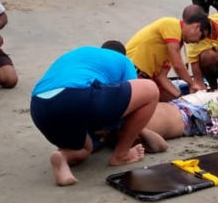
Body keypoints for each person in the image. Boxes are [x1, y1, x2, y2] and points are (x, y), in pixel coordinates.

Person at [30, 43, 159, 186]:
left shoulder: (82, 52)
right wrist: (111, 126)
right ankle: (121, 155)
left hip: (39, 107)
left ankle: (63, 157)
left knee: (86, 148)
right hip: (77, 96)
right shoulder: (123, 60)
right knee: (151, 90)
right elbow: (133, 104)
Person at [125, 9, 211, 101]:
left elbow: (161, 77)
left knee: (178, 106)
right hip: (133, 73)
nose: (198, 42)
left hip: (148, 79)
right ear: (196, 27)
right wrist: (192, 83)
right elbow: (178, 65)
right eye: (201, 37)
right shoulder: (172, 25)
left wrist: (181, 98)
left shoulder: (176, 43)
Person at [181, 5, 218, 90]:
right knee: (207, 56)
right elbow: (198, 79)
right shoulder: (195, 40)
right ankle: (214, 88)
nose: (197, 41)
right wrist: (199, 89)